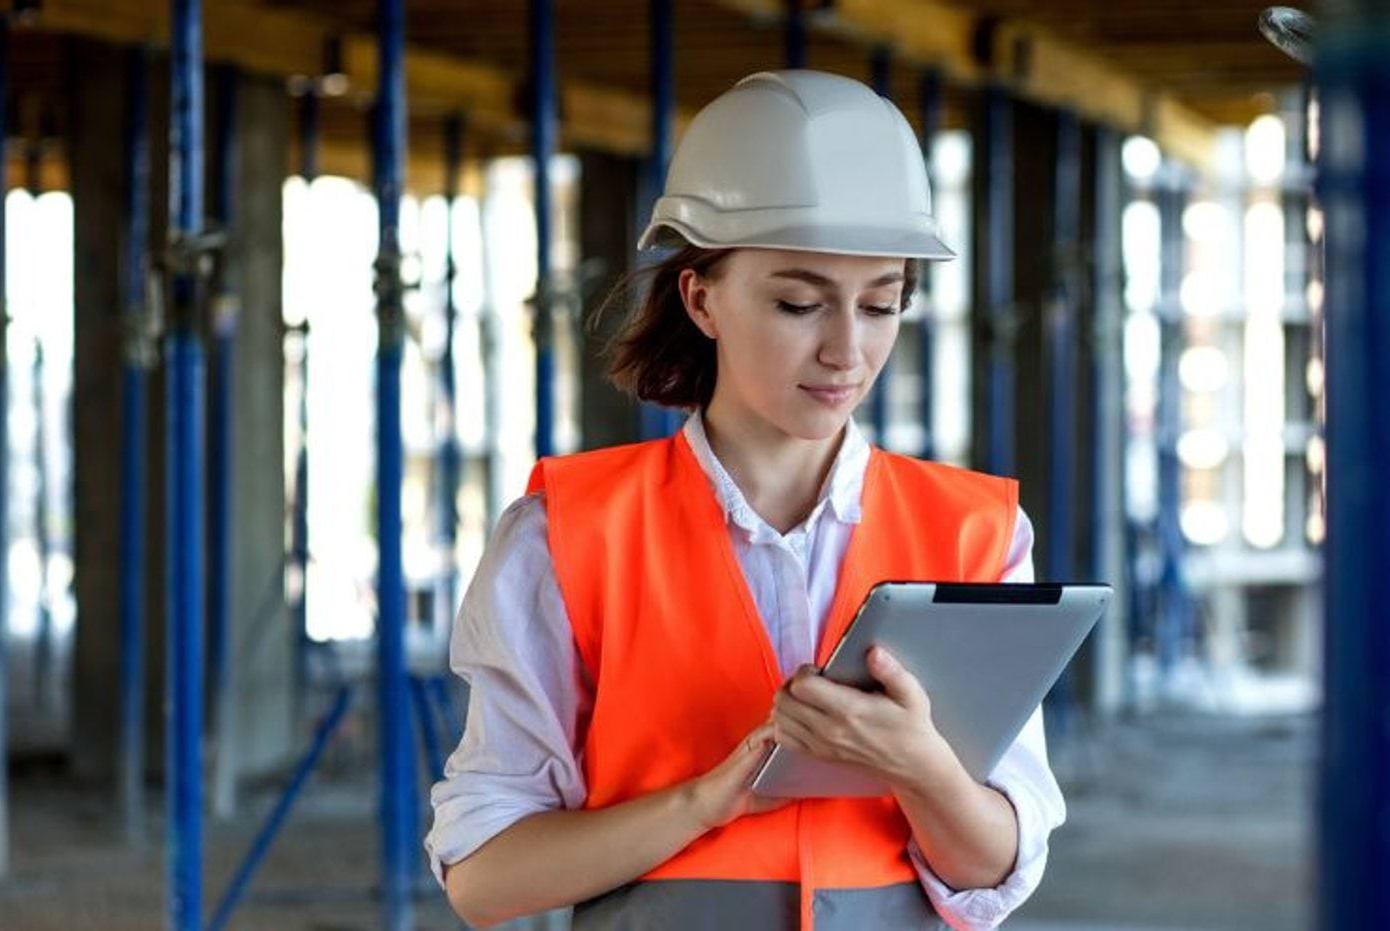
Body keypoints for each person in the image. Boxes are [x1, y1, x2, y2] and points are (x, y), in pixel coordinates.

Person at [425, 69, 1066, 931]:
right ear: (701, 297)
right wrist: (701, 803)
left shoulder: (978, 535)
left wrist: (921, 766)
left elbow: (995, 869)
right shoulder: (566, 537)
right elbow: (484, 878)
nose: (848, 350)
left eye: (882, 304)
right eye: (799, 301)